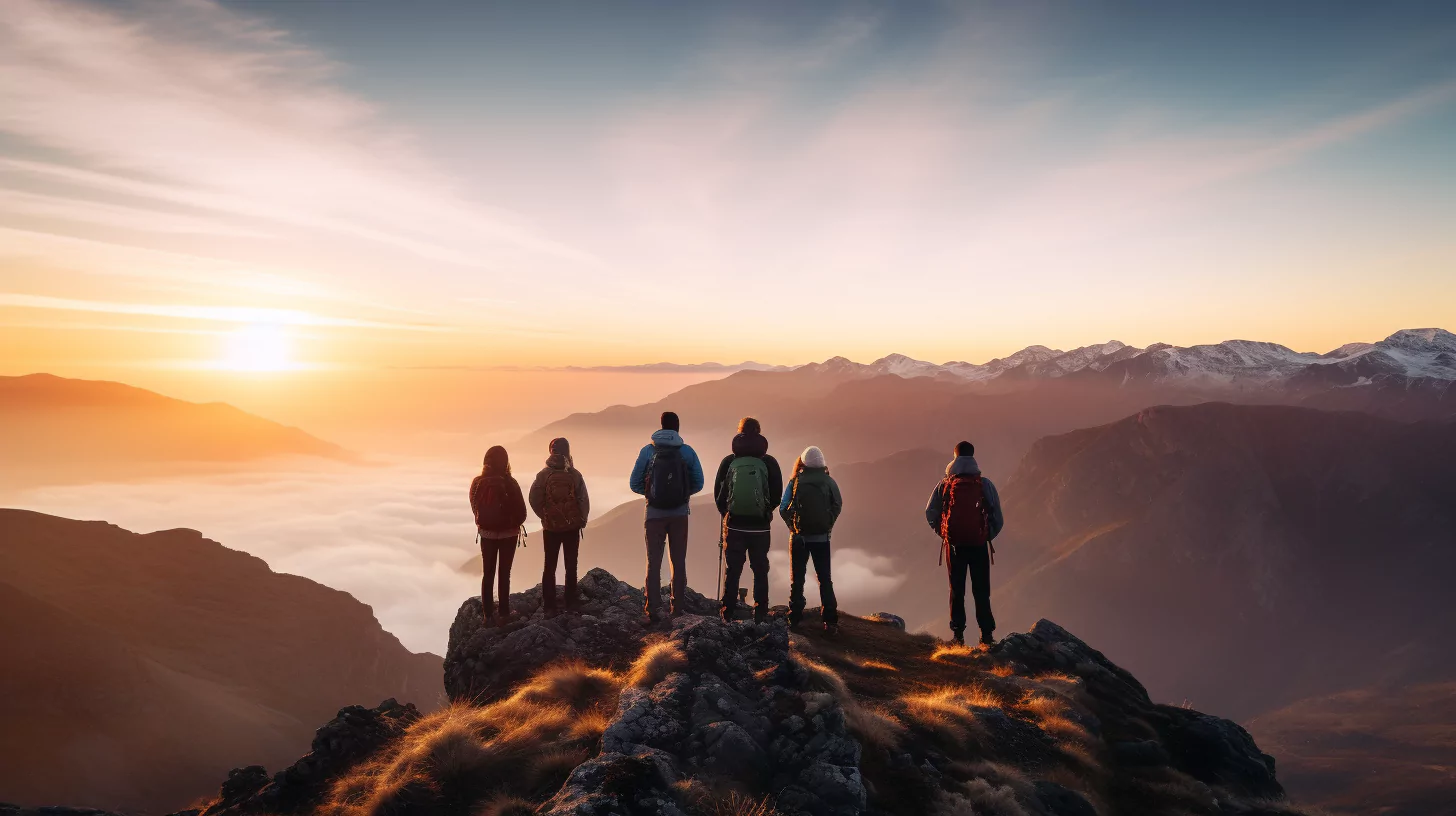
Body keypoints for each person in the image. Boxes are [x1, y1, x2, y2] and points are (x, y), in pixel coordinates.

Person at [925, 441, 1005, 647]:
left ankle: (958, 635)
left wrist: (944, 533)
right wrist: (986, 535)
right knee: (981, 590)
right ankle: (986, 635)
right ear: (973, 456)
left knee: (957, 590)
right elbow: (998, 517)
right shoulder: (984, 484)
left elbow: (930, 512)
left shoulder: (945, 485)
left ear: (954, 457)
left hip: (955, 547)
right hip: (979, 546)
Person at [629, 411, 705, 622]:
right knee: (678, 561)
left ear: (661, 427)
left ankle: (652, 608)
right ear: (677, 428)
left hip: (653, 514)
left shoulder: (647, 451)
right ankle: (677, 608)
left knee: (653, 561)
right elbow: (699, 481)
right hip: (679, 514)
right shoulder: (687, 452)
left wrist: (650, 495)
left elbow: (634, 482)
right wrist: (682, 495)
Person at [713, 417, 783, 623]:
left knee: (733, 569)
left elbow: (719, 494)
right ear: (759, 433)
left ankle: (727, 611)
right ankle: (760, 612)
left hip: (735, 525)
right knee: (760, 568)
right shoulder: (769, 462)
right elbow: (777, 494)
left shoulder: (729, 461)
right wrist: (766, 511)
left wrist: (727, 514)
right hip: (760, 527)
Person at [780, 445, 842, 634]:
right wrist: (828, 523)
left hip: (799, 538)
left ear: (803, 462)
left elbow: (783, 508)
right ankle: (830, 620)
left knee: (797, 579)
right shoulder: (829, 481)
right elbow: (838, 504)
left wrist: (793, 526)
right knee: (825, 579)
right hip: (822, 539)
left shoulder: (796, 481)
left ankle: (795, 617)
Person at [529, 437, 590, 617]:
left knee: (550, 565)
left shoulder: (543, 474)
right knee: (571, 565)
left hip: (551, 528)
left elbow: (533, 499)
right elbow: (583, 500)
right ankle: (571, 602)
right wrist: (581, 520)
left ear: (551, 452)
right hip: (572, 527)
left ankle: (549, 606)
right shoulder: (574, 474)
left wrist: (545, 515)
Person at [470, 445, 528, 626]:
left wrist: (484, 523)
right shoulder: (511, 482)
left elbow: (474, 506)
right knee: (504, 573)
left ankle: (488, 616)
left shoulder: (478, 482)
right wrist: (514, 523)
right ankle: (504, 614)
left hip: (486, 533)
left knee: (488, 574)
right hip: (508, 534)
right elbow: (522, 511)